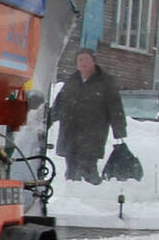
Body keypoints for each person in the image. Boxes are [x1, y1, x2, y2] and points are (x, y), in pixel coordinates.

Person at [50, 49, 127, 183]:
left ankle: (92, 190)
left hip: (92, 134)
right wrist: (48, 119)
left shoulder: (105, 81)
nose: (83, 63)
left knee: (88, 168)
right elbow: (60, 103)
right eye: (80, 60)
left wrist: (119, 130)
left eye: (86, 59)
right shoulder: (72, 80)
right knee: (71, 170)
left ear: (94, 62)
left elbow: (115, 107)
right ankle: (73, 192)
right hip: (70, 133)